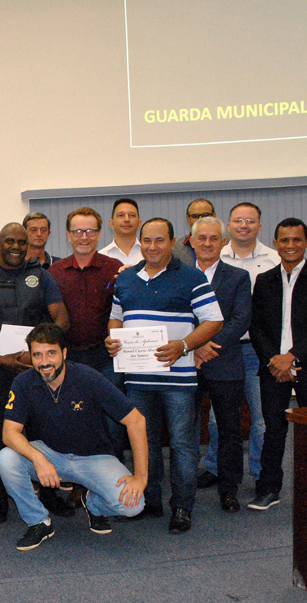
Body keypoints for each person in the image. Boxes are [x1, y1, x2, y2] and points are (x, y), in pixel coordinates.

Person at [107, 218, 223, 534]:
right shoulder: (126, 278)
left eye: (160, 241)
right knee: (144, 441)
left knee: (183, 444)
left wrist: (184, 345)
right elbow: (116, 318)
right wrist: (112, 339)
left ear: (172, 242)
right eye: (147, 241)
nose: (153, 247)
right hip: (138, 379)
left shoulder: (191, 277)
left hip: (179, 379)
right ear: (140, 243)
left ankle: (182, 507)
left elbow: (213, 321)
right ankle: (151, 501)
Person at [0, 323, 148, 550]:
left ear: (64, 353)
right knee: (6, 458)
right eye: (37, 355)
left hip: (94, 457)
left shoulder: (88, 378)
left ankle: (94, 503)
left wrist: (141, 477)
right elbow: (9, 433)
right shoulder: (24, 382)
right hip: (51, 455)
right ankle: (38, 521)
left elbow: (136, 420)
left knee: (133, 506)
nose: (45, 362)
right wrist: (40, 459)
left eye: (51, 353)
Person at [0, 222, 68, 523]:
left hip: (37, 371)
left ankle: (49, 495)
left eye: (21, 242)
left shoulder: (42, 276)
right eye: (10, 241)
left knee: (44, 433)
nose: (16, 247)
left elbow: (62, 318)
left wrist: (40, 352)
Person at [249, 217, 307, 511]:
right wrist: (275, 361)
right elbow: (257, 327)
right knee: (272, 431)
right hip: (272, 369)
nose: (290, 245)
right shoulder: (264, 281)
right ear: (275, 244)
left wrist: (293, 356)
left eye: (296, 240)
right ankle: (268, 489)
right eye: (284, 240)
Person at [198, 202, 281, 489]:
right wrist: (203, 346)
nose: (243, 225)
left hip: (257, 348)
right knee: (218, 418)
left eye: (250, 220)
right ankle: (215, 467)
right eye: (237, 220)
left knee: (260, 418)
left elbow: (246, 316)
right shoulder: (211, 255)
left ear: (259, 225)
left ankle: (259, 474)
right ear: (228, 226)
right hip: (217, 351)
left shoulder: (275, 259)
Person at [49, 207, 126, 462]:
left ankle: (114, 477)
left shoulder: (116, 270)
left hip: (106, 358)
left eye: (90, 231)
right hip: (68, 360)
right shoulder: (55, 272)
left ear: (99, 234)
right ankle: (77, 482)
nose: (84, 236)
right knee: (72, 420)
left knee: (112, 420)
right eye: (78, 231)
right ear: (69, 235)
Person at [188, 216, 252, 512]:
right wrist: (193, 346)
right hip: (187, 362)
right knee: (185, 430)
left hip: (223, 361)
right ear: (192, 241)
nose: (208, 243)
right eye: (202, 238)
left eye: (214, 238)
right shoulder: (179, 275)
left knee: (229, 431)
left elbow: (240, 319)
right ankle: (184, 488)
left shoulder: (238, 277)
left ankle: (229, 490)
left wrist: (206, 345)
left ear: (224, 242)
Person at [99, 197, 144, 266]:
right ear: (112, 223)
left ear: (139, 223)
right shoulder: (101, 257)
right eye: (121, 215)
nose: (127, 219)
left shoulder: (149, 254)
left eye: (132, 215)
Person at [173, 198, 215, 267]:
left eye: (206, 215)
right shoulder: (176, 248)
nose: (201, 219)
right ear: (188, 219)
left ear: (214, 216)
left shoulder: (228, 243)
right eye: (195, 216)